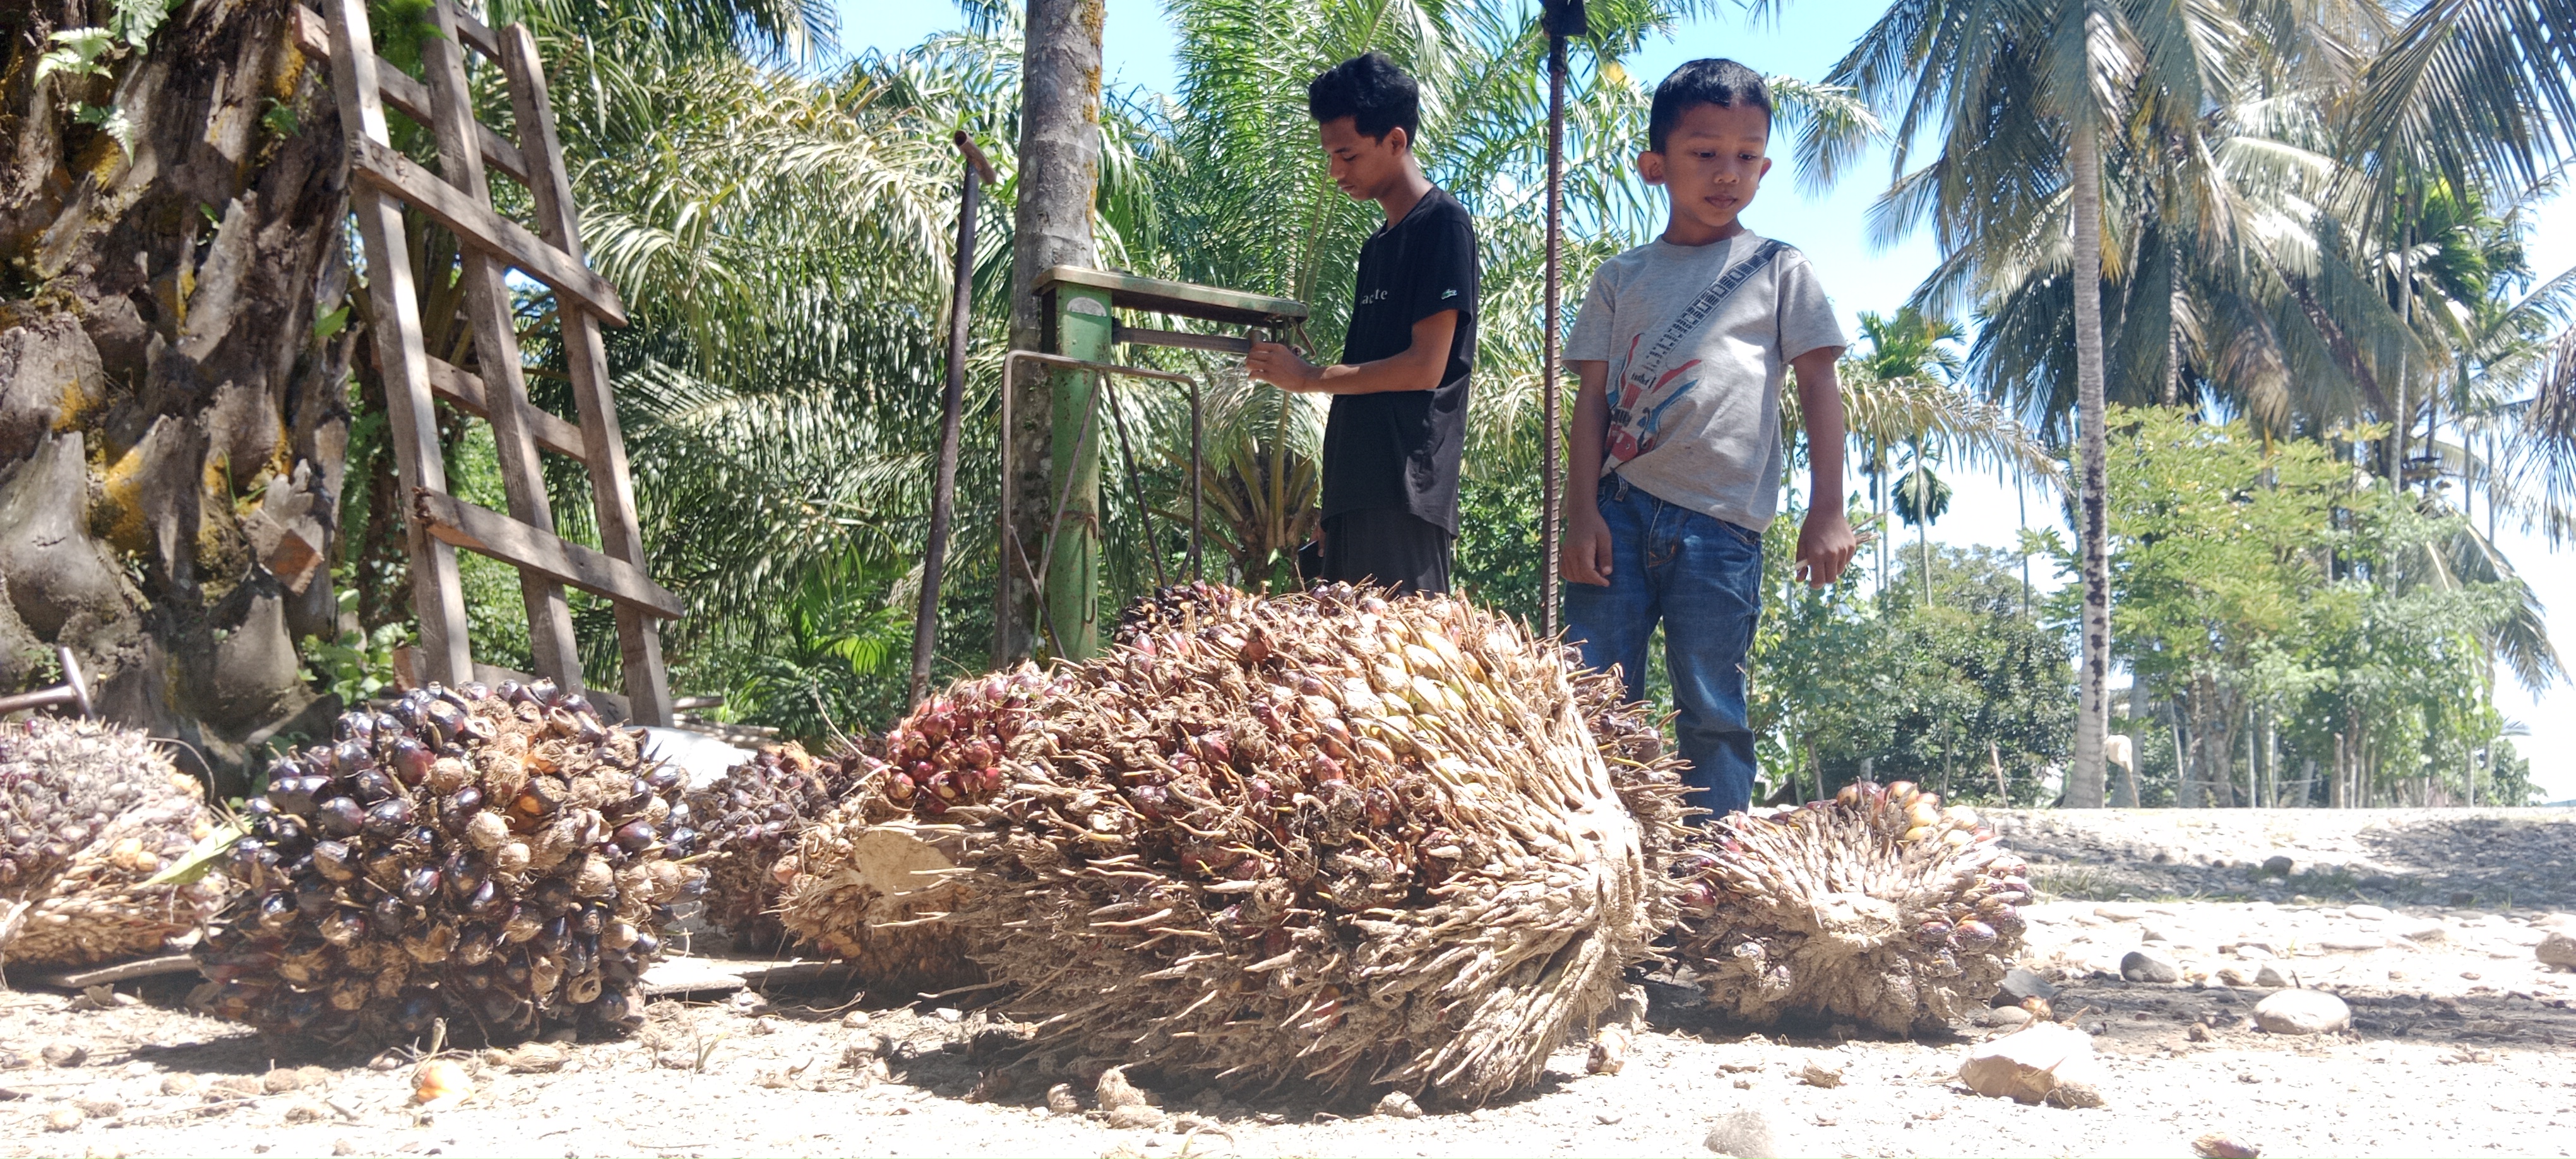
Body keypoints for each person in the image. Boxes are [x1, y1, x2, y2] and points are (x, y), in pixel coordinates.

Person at [1561, 59, 1858, 819]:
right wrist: (1580, 514)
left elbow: (1819, 386)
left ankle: (1715, 863)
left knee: (1714, 709)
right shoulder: (1620, 278)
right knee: (1592, 702)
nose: (1728, 172)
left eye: (1747, 155)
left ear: (1764, 167)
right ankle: (1596, 851)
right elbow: (1590, 401)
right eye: (1704, 152)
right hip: (1617, 515)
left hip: (1722, 528)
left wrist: (1828, 509)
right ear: (1654, 166)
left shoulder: (1780, 270)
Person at [1246, 51, 1478, 597]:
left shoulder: (1443, 224)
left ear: (1395, 141)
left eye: (1346, 154)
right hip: (1355, 498)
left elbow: (1425, 367)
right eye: (1329, 155)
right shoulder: (1376, 247)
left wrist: (1309, 378)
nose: (1335, 172)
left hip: (1404, 495)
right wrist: (1336, 504)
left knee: (1403, 650)